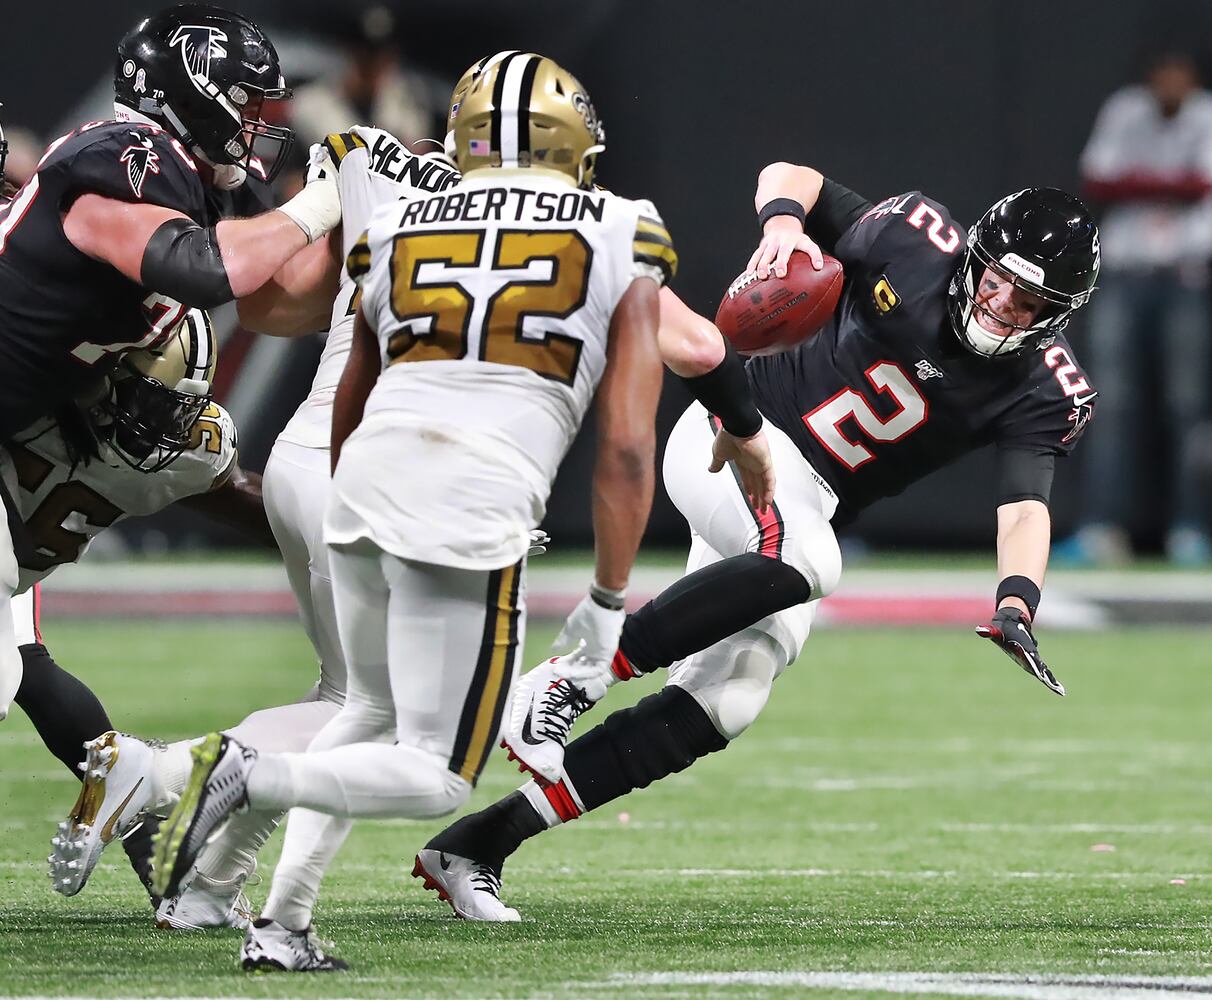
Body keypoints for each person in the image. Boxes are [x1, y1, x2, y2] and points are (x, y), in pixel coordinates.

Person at [410, 165, 1102, 920]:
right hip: (739, 437)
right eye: (999, 281)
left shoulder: (1045, 386)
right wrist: (782, 225)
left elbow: (1025, 504)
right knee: (809, 560)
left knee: (726, 701)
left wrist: (1016, 604)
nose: (1002, 305)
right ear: (976, 256)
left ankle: (478, 844)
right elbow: (792, 175)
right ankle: (571, 675)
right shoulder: (914, 241)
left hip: (808, 503)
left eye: (1028, 302)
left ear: (1057, 315)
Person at [148, 50, 682, 971]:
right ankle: (237, 772)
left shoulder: (401, 217)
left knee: (362, 711)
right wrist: (605, 600)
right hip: (469, 496)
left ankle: (279, 924)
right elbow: (630, 445)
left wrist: (356, 497)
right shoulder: (620, 225)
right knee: (437, 777)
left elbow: (350, 380)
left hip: (357, 473)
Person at [0, 4, 343, 721]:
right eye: (247, 103)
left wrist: (376, 235)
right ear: (191, 93)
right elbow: (203, 269)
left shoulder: (203, 179)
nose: (258, 123)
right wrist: (323, 199)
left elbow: (274, 303)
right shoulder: (122, 153)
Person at [1061, 50, 1212, 565]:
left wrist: (1142, 182)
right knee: (1109, 406)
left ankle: (1191, 529)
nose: (1170, 82)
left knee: (1187, 407)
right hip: (1126, 276)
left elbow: (1203, 185)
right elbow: (1100, 180)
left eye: (1179, 73)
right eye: (1162, 73)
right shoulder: (1126, 110)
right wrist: (1172, 185)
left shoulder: (1205, 114)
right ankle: (1102, 528)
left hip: (1186, 277)